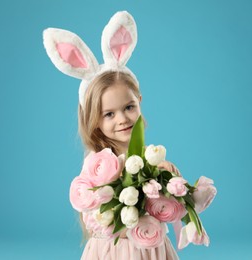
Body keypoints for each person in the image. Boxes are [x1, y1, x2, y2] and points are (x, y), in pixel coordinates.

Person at [43, 11, 179, 260]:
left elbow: (163, 206)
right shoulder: (97, 165)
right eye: (109, 114)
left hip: (151, 247)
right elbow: (96, 215)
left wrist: (167, 180)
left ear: (139, 101)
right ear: (94, 120)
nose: (123, 119)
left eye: (129, 107)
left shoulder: (147, 155)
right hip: (116, 251)